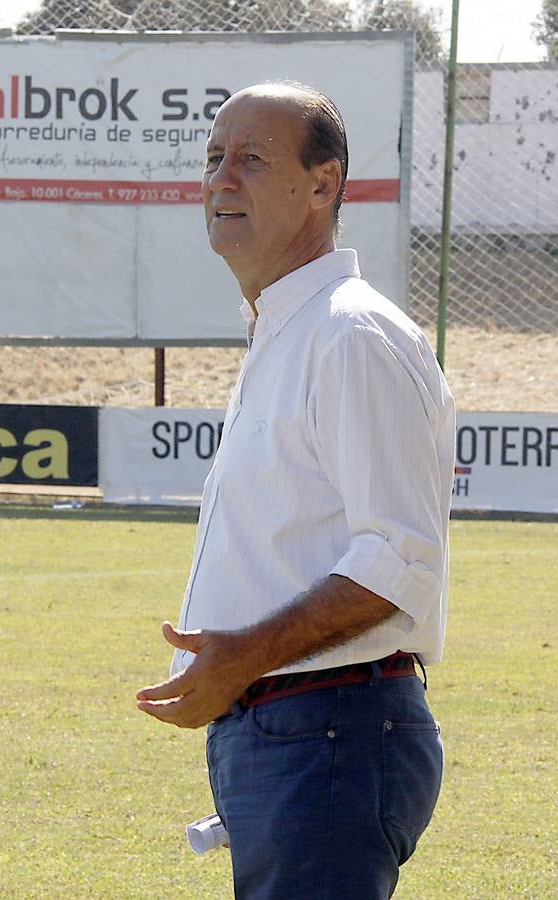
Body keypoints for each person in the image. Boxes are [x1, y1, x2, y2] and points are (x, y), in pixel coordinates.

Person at [135, 82, 456, 899]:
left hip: (331, 731)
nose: (220, 180)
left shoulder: (351, 335)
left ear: (323, 184)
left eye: (251, 159)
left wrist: (244, 656)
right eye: (212, 159)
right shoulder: (290, 329)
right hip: (294, 731)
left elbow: (398, 561)